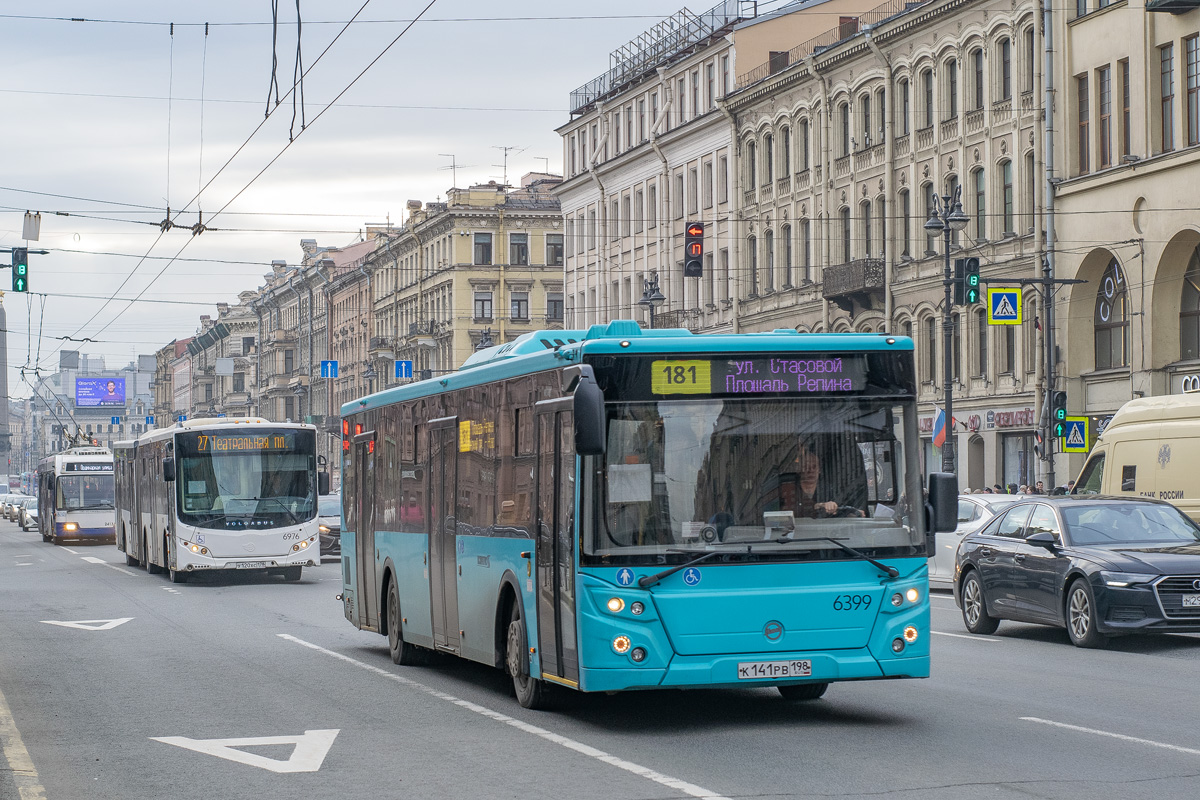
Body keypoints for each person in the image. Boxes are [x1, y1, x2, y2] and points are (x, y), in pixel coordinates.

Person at [792, 437, 863, 518]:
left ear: (819, 470)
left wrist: (852, 512)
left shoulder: (830, 490)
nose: (810, 471)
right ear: (799, 469)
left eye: (814, 467)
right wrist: (820, 505)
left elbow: (841, 509)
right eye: (806, 467)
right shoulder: (791, 488)